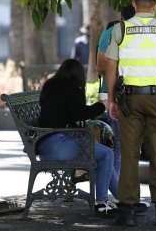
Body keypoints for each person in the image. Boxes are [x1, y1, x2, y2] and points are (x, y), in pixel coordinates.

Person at [105, 0, 156, 226]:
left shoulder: (121, 29)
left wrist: (111, 99)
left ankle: (128, 212)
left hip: (129, 99)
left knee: (129, 153)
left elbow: (111, 66)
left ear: (134, 3)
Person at [37, 58, 119, 217]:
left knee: (102, 154)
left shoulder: (50, 85)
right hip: (59, 145)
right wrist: (102, 105)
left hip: (44, 145)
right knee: (107, 154)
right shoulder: (73, 89)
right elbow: (80, 113)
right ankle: (102, 202)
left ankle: (122, 199)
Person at [97, 5, 136, 174]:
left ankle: (116, 184)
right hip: (133, 94)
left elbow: (100, 67)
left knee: (119, 141)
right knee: (126, 142)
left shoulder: (109, 32)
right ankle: (118, 186)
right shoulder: (143, 33)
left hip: (109, 93)